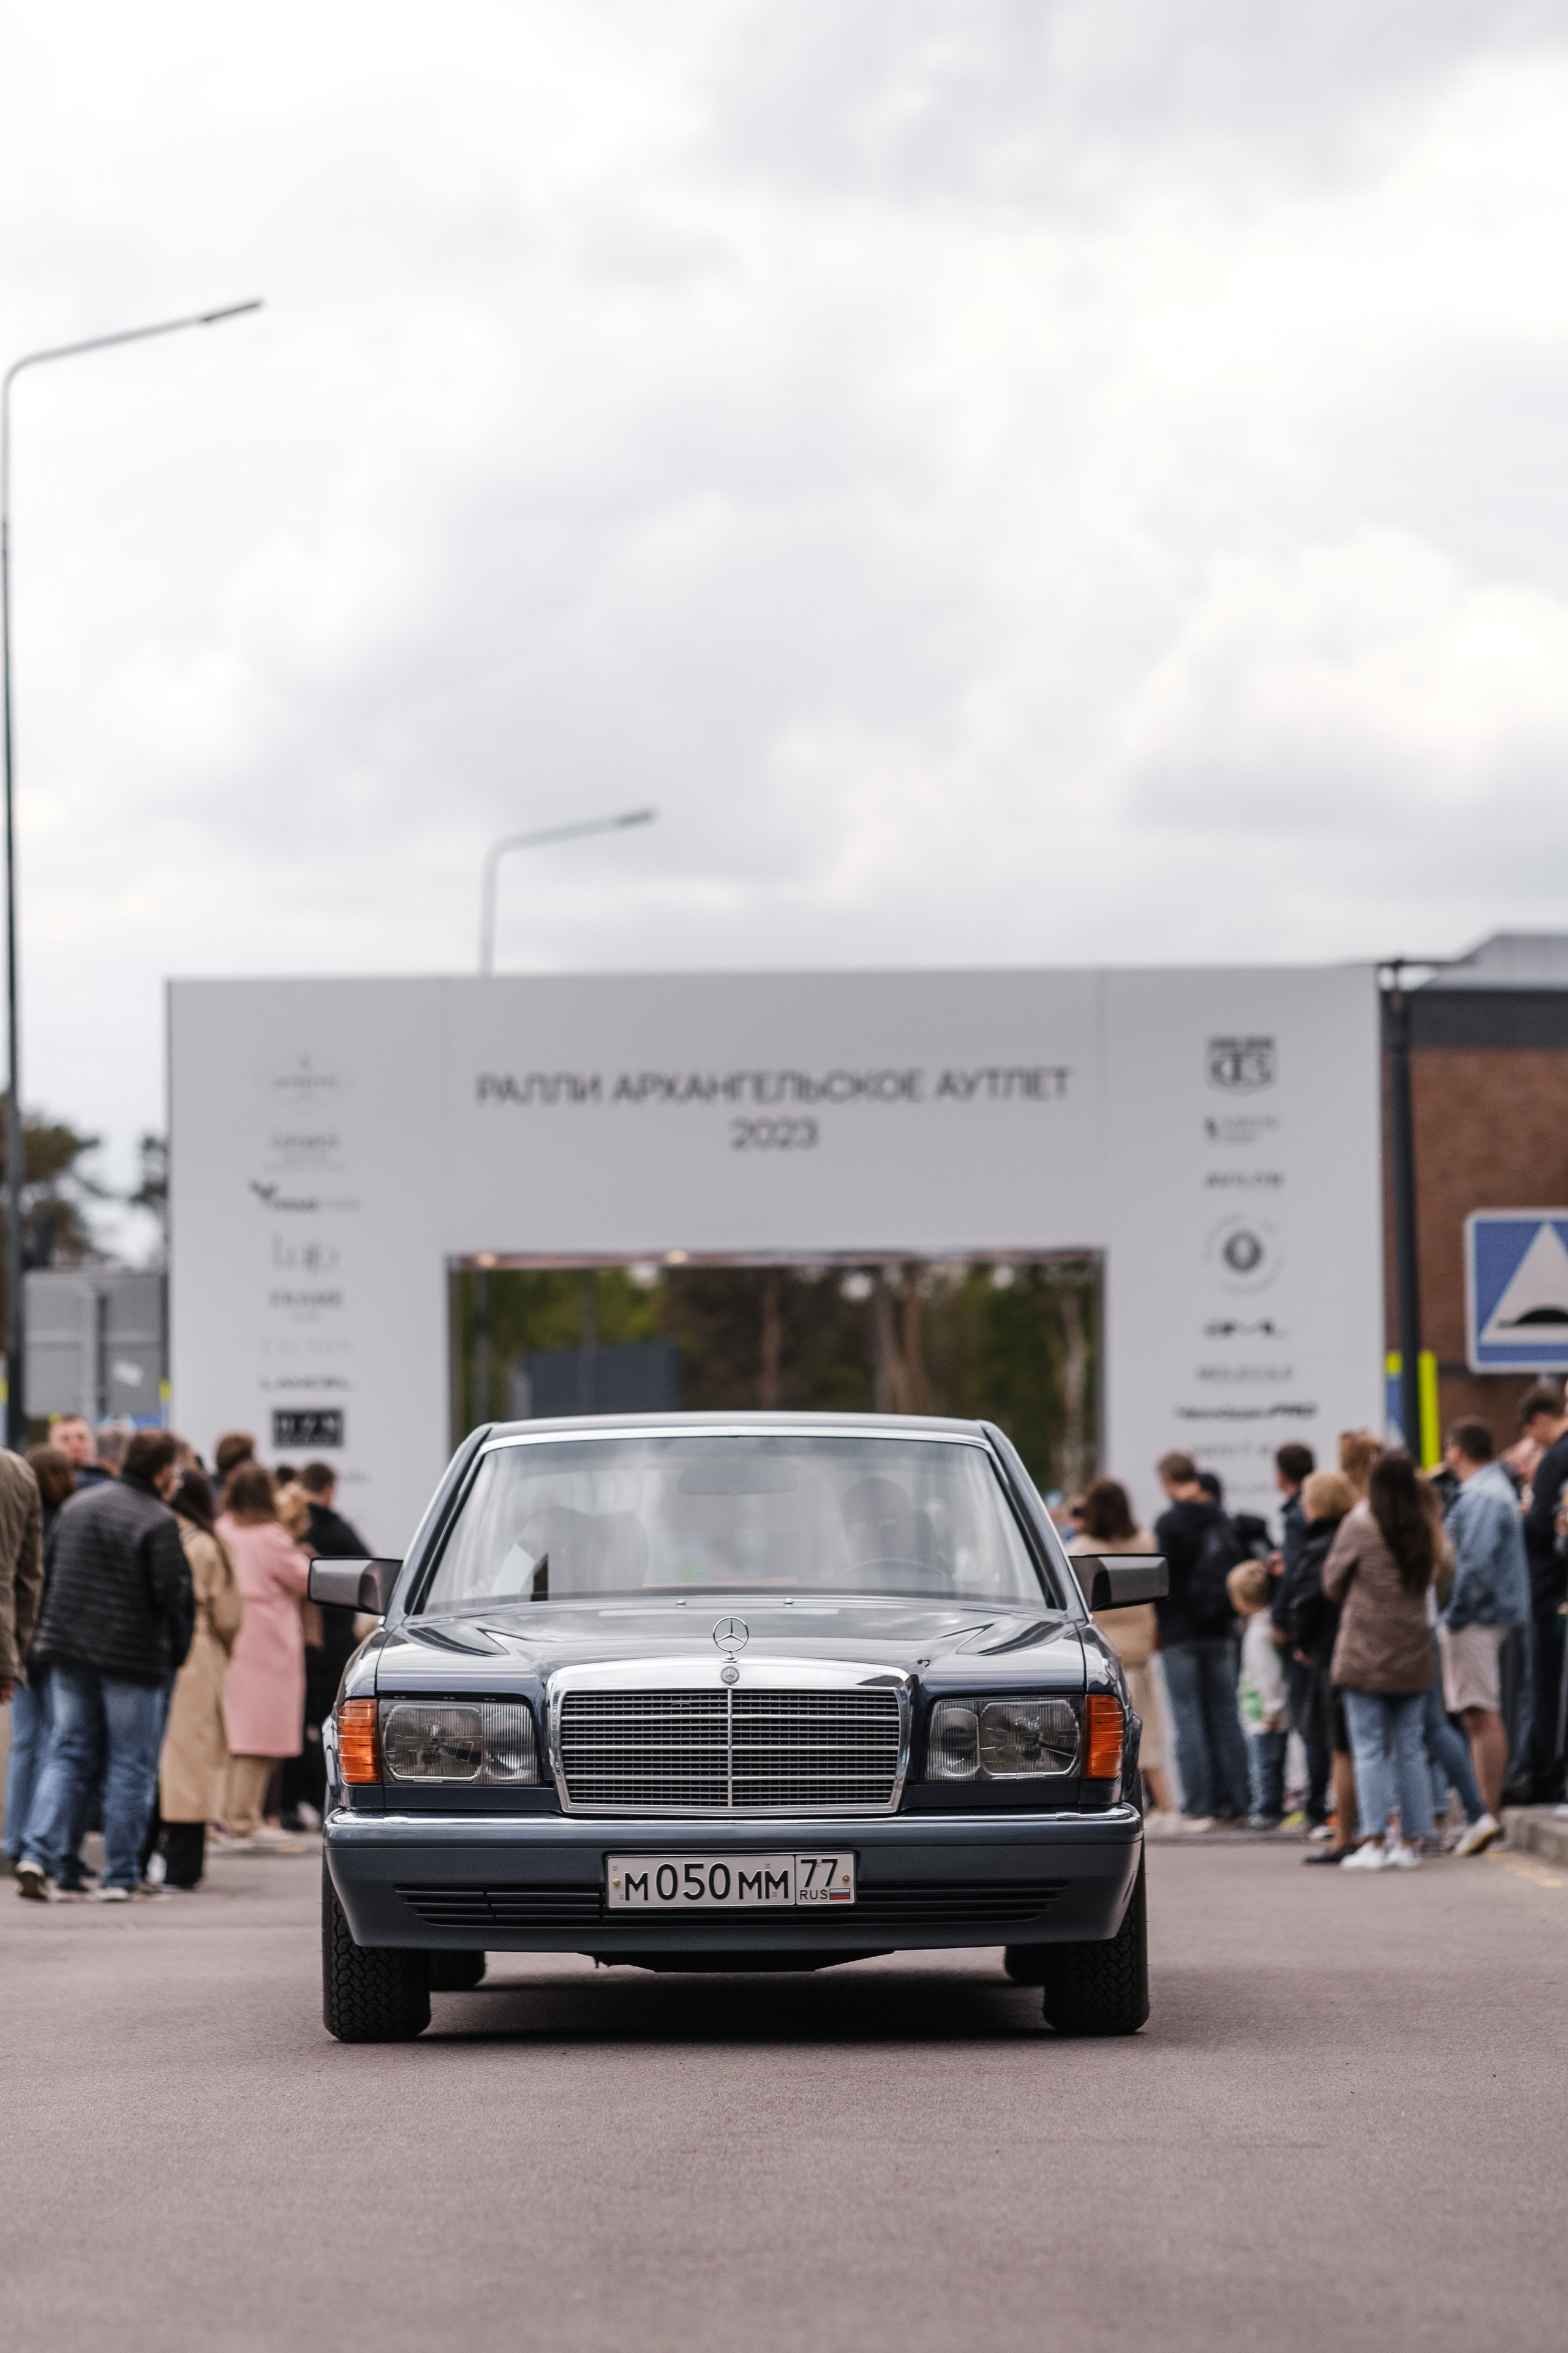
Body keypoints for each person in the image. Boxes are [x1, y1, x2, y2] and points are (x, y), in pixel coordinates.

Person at [15, 1430, 192, 1902]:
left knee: (68, 1753)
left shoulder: (78, 1507)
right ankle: (120, 1874)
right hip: (132, 1658)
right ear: (162, 1472)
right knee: (131, 1764)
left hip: (68, 1650)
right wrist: (177, 1650)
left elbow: (47, 1568)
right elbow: (171, 1593)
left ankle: (37, 1854)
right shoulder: (158, 1518)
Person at [1322, 1450, 1439, 1871]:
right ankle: (1411, 1841)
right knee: (1410, 1748)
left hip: (1365, 1653)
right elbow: (1442, 1579)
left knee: (1369, 1748)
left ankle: (1373, 1839)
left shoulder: (1359, 1524)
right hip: (1414, 1652)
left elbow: (1331, 1582)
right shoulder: (1425, 1525)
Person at [1066, 1477, 1177, 1829]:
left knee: (1107, 1744)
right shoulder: (1145, 1541)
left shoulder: (1080, 1549)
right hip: (1141, 1654)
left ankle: (1118, 1809)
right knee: (1150, 1737)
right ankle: (1167, 1807)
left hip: (1103, 1658)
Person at [1152, 1451, 1252, 1827]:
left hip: (1181, 1633)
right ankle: (1238, 1801)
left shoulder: (1169, 1523)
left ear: (1167, 1481)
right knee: (1227, 1716)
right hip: (1221, 1631)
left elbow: (1162, 1581)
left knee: (1188, 1717)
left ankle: (1199, 1804)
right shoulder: (1221, 1516)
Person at [157, 1467, 244, 1890]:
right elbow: (229, 1615)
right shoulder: (208, 1544)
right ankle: (184, 1864)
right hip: (198, 1650)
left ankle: (147, 1857)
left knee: (157, 1758)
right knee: (193, 1760)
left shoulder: (158, 1531)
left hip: (154, 1649)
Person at [1442, 1417, 1531, 1823]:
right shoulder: (1490, 1490)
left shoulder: (1482, 1495)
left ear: (1457, 1449)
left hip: (1477, 1616)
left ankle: (1485, 1813)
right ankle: (1483, 1811)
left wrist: (1454, 1615)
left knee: (1480, 1713)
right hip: (1486, 1613)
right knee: (1479, 1712)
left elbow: (1475, 1564)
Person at [218, 1462, 309, 1845]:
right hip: (269, 1646)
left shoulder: (221, 1529)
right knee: (263, 1734)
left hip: (232, 1640)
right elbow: (304, 1579)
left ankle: (227, 1814)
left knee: (236, 1733)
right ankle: (245, 1816)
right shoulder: (272, 1537)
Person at [279, 1460, 369, 1831]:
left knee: (294, 1725)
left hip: (292, 1639)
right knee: (328, 1726)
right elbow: (368, 1574)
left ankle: (286, 1804)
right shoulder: (339, 1530)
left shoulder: (285, 1531)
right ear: (329, 1489)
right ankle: (325, 1801)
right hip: (331, 1641)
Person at [2, 1448, 70, 1873]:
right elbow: (30, 1579)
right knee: (54, 1741)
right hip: (51, 1642)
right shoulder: (65, 1519)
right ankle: (38, 1841)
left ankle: (14, 1837)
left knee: (25, 1742)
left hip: (22, 1642)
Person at [1289, 1470, 1360, 1864]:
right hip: (1360, 1647)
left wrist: (1302, 1643)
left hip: (1331, 1653)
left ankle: (1344, 1835)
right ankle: (1371, 1831)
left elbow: (1306, 1601)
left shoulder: (1320, 1545)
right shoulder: (1356, 1534)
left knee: (1341, 1748)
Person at [1270, 1442, 1325, 1828]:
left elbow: (1296, 1575)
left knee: (1310, 1719)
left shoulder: (1295, 1515)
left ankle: (1317, 1804)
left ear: (1281, 1474)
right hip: (1325, 1625)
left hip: (1306, 1630)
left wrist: (1281, 1619)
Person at [1521, 1389, 1568, 1805]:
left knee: (1548, 1685)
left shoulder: (1556, 1458)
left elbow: (1540, 1527)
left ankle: (1548, 1774)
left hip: (1552, 1590)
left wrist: (1528, 1516)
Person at [1228, 1558, 1289, 1827]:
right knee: (1273, 1763)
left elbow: (1266, 1674)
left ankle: (1266, 1810)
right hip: (1271, 1711)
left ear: (1240, 1600)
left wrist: (1271, 1709)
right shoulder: (1267, 1628)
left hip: (1264, 1715)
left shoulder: (1257, 1635)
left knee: (1264, 1765)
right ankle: (1272, 1806)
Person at [51, 1414, 112, 1490]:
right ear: (52, 1445)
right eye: (66, 1439)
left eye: (81, 1437)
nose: (75, 1444)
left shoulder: (108, 1481)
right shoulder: (47, 1485)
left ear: (92, 1442)